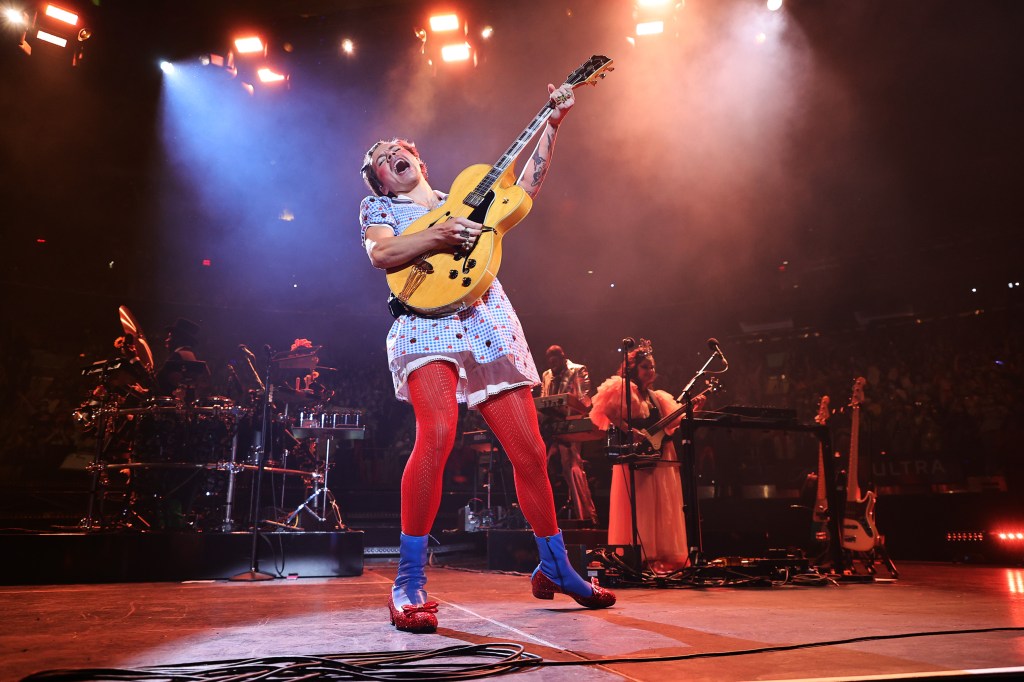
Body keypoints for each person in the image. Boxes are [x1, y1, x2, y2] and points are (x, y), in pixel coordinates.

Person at [359, 83, 615, 633]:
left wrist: (552, 126)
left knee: (531, 451)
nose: (392, 153)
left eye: (399, 148)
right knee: (437, 435)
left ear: (420, 161)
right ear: (380, 179)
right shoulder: (379, 207)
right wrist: (437, 237)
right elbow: (382, 253)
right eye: (381, 157)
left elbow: (525, 189)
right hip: (424, 320)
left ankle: (554, 566)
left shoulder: (466, 194)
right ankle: (408, 580)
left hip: (484, 317)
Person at [589, 339, 699, 572]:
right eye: (645, 367)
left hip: (658, 453)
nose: (650, 371)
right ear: (633, 369)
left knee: (660, 504)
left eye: (652, 367)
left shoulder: (657, 396)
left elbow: (673, 422)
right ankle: (638, 554)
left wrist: (694, 406)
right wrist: (630, 430)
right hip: (634, 455)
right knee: (641, 504)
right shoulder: (624, 389)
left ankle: (659, 555)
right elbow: (607, 410)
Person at [539, 345, 599, 526]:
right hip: (550, 426)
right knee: (544, 467)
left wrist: (567, 408)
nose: (552, 363)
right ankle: (544, 517)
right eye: (549, 360)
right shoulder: (546, 375)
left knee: (572, 468)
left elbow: (584, 400)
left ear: (563, 357)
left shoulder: (577, 370)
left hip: (570, 424)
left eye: (555, 359)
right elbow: (543, 400)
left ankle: (587, 517)